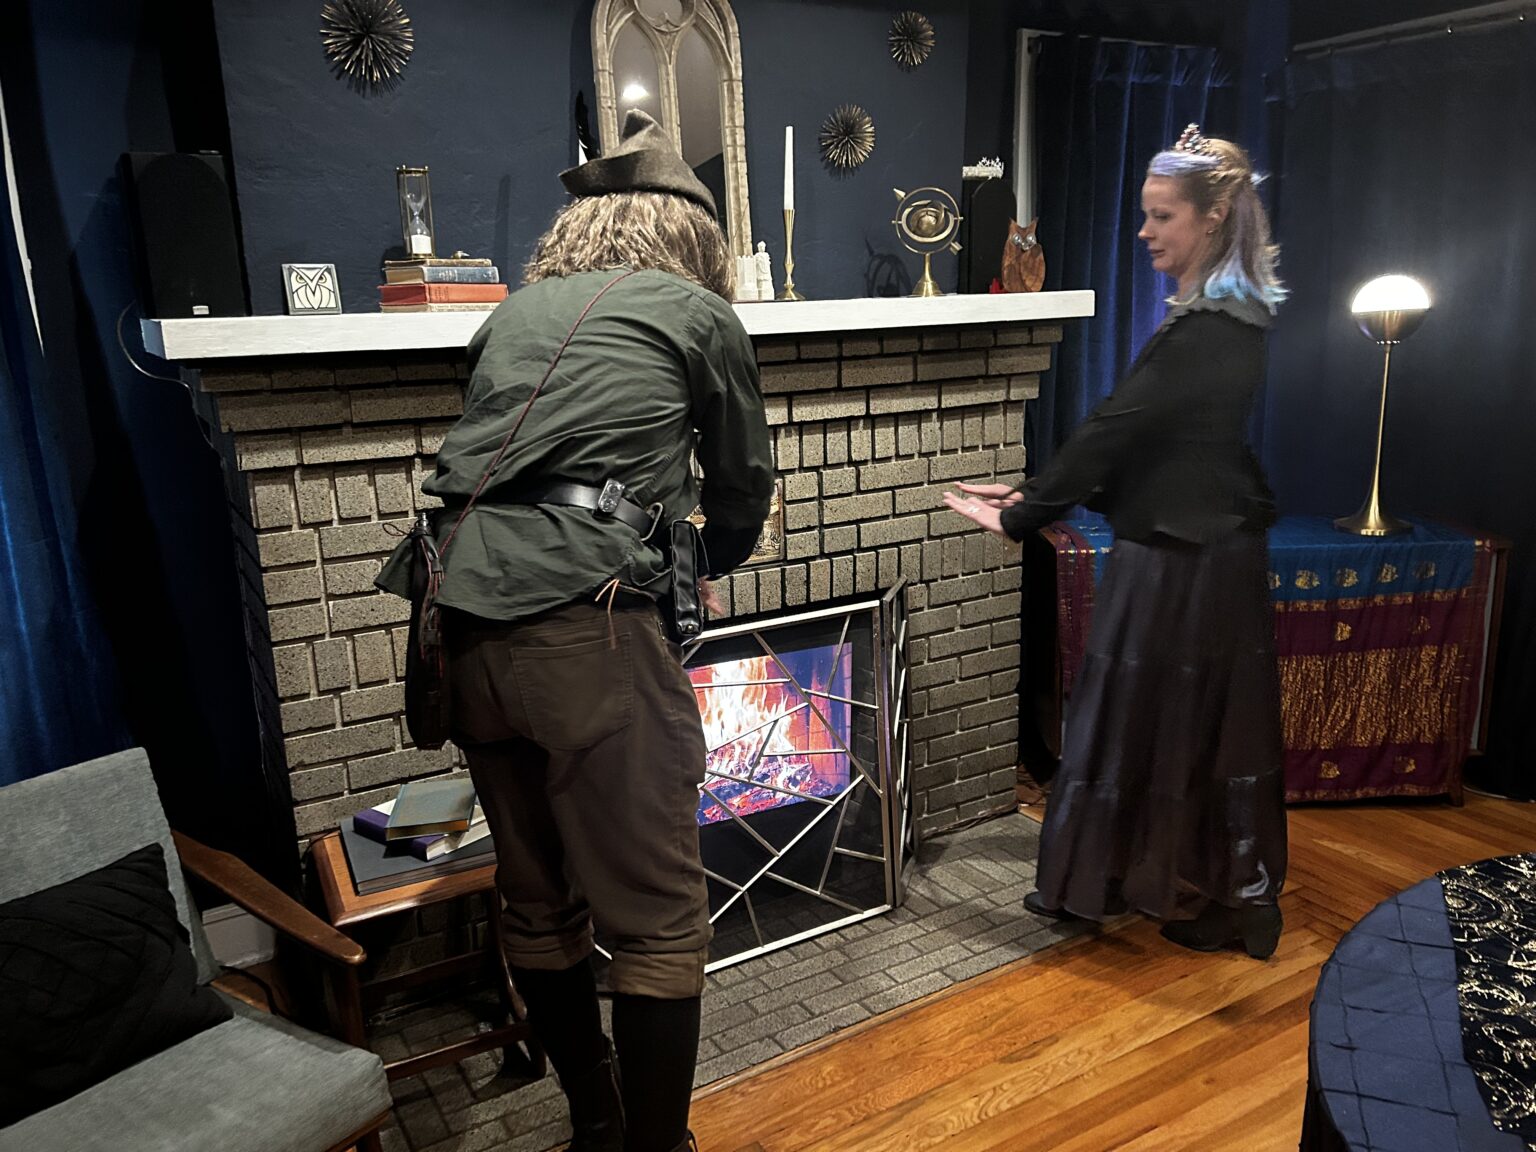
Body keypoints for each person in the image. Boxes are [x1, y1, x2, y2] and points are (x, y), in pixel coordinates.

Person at [381, 110, 773, 1152]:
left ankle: (597, 1123)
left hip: (459, 626)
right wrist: (705, 563)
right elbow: (742, 488)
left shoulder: (511, 315)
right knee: (656, 920)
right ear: (690, 234)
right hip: (587, 637)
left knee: (537, 901)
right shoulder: (696, 313)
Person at [942, 124, 1289, 960]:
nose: (1143, 231)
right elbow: (1152, 441)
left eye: (1161, 215)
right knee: (1176, 724)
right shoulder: (1223, 319)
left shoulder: (1212, 328)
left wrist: (1025, 513)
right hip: (1198, 543)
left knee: (1159, 723)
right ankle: (1181, 888)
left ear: (1212, 217)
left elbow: (1116, 427)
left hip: (1185, 557)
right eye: (1144, 214)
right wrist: (1032, 493)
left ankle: (1201, 896)